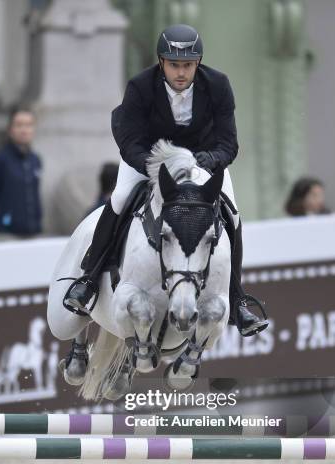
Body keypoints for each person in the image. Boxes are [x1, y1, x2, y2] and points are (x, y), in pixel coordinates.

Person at [64, 24, 268, 337]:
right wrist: (154, 166)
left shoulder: (218, 85)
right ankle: (89, 280)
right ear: (162, 62)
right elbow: (129, 138)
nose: (181, 72)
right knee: (119, 199)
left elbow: (228, 142)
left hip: (201, 160)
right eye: (174, 65)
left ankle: (237, 298)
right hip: (148, 157)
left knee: (233, 214)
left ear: (197, 63)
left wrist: (210, 161)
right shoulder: (141, 86)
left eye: (187, 65)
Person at [0, 107, 43, 241]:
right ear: (10, 129)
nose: (24, 130)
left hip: (32, 234)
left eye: (28, 125)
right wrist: (4, 219)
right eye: (19, 125)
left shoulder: (35, 160)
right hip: (5, 235)